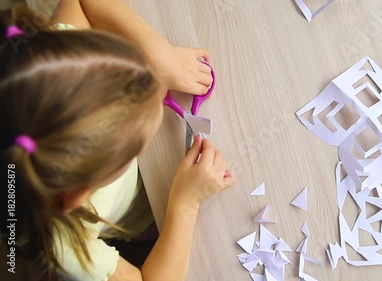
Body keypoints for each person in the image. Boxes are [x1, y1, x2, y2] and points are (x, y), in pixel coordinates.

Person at [0, 1, 236, 280]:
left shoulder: (56, 68)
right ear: (78, 195)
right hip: (140, 226)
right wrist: (185, 203)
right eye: (136, 145)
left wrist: (159, 55)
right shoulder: (64, 246)